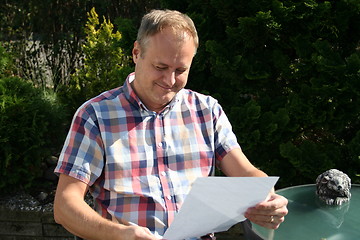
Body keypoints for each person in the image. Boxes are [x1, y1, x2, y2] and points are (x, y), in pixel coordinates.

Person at [53, 9, 288, 240]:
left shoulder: (207, 110)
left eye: (180, 70)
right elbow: (65, 205)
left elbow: (245, 172)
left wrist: (267, 196)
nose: (170, 80)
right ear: (136, 53)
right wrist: (120, 234)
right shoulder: (95, 115)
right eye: (161, 67)